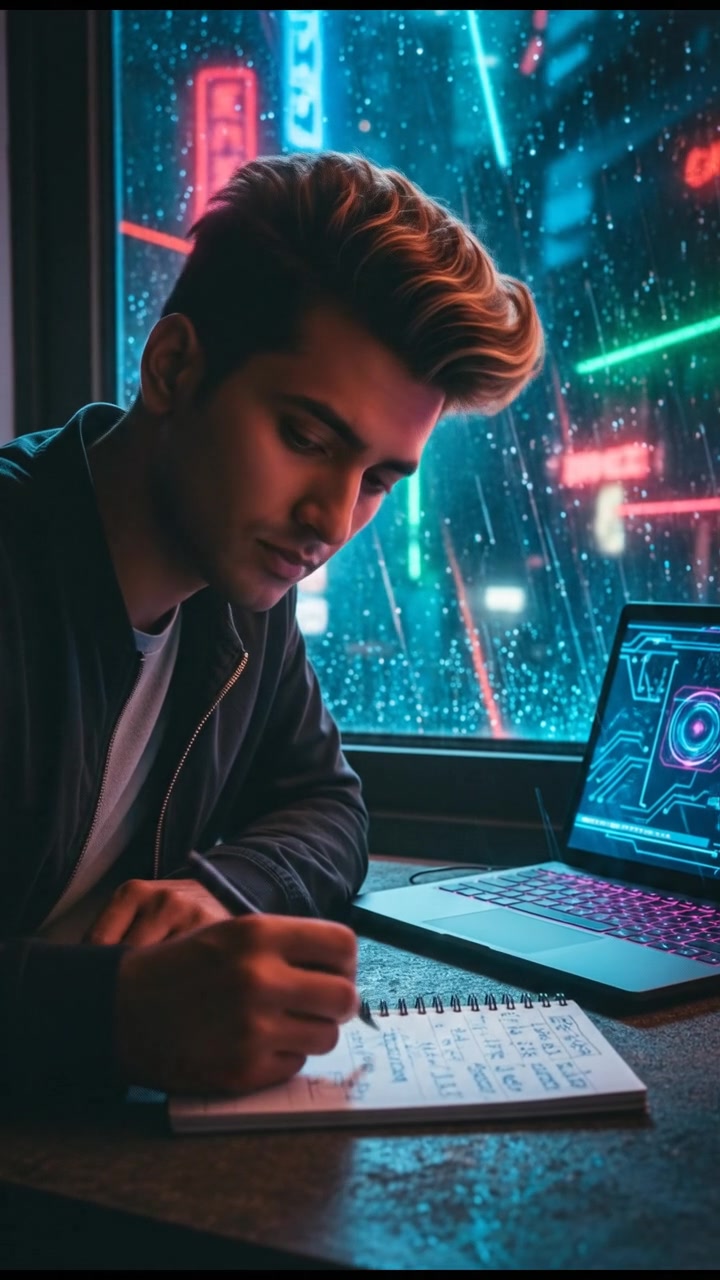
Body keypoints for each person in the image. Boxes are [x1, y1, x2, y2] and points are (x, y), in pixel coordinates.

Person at [0, 150, 543, 1103]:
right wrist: (110, 1015)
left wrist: (219, 892)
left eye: (377, 479)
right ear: (172, 367)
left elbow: (331, 810)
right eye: (305, 438)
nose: (332, 521)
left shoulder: (243, 596)